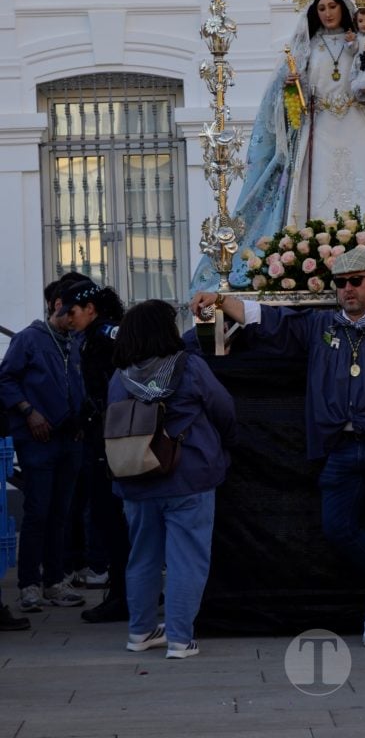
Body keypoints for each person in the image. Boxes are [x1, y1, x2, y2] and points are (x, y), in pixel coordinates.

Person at [191, 245, 365, 647]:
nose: (348, 290)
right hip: (340, 445)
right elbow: (265, 319)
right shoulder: (320, 326)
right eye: (341, 284)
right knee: (337, 528)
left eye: (356, 282)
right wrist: (219, 299)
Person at [190, 0, 365, 291]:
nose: (328, 13)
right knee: (315, 194)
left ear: (344, 9)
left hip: (361, 131)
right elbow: (289, 111)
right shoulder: (304, 50)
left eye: (333, 6)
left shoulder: (364, 45)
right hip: (317, 135)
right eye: (321, 8)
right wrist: (290, 89)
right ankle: (310, 253)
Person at [106, 300, 237, 659]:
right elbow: (223, 407)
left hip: (137, 477)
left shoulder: (120, 376)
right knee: (186, 559)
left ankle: (140, 631)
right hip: (188, 476)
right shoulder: (189, 366)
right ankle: (180, 638)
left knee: (143, 557)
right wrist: (225, 442)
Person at [0, 280, 86, 612]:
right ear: (58, 305)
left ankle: (54, 580)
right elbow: (5, 378)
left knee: (61, 513)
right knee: (37, 510)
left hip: (70, 439)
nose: (78, 319)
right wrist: (28, 411)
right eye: (76, 312)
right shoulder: (29, 339)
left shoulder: (75, 341)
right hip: (38, 440)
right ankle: (29, 584)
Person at [54, 278, 129, 623]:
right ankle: (126, 588)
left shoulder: (105, 334)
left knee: (110, 516)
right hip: (103, 433)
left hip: (110, 436)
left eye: (71, 311)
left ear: (90, 309)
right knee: (108, 515)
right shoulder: (90, 337)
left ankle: (123, 594)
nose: (67, 317)